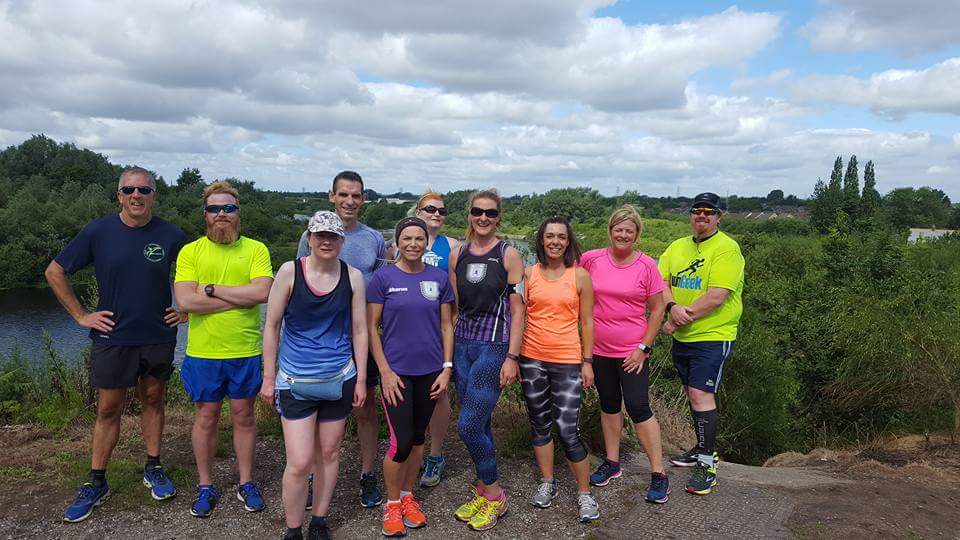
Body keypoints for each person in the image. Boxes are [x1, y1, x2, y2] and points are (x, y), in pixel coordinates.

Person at [47, 167, 188, 523]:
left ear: (154, 195)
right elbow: (55, 271)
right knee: (109, 408)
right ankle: (97, 481)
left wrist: (185, 308)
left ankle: (153, 468)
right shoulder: (99, 231)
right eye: (129, 190)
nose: (136, 195)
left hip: (158, 334)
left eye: (144, 189)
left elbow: (197, 275)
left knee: (154, 399)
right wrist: (81, 315)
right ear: (119, 195)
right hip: (113, 337)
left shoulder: (172, 235)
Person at [261, 211, 368, 540]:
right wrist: (268, 377)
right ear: (308, 238)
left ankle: (319, 521)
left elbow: (360, 329)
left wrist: (361, 378)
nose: (326, 241)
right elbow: (272, 325)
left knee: (330, 453)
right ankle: (293, 528)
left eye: (333, 236)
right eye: (320, 235)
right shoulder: (290, 272)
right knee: (299, 461)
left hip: (339, 377)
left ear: (341, 241)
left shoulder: (353, 277)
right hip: (294, 380)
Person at [174, 181, 274, 517]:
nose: (222, 214)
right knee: (206, 418)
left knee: (244, 417)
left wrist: (211, 291)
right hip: (203, 353)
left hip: (243, 350)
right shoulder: (191, 252)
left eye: (228, 208)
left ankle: (246, 482)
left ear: (237, 213)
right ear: (205, 214)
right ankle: (205, 485)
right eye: (214, 208)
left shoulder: (256, 249)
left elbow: (262, 293)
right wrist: (236, 298)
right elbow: (185, 301)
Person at [297, 171, 387, 509]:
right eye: (344, 195)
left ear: (364, 199)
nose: (350, 201)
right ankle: (309, 476)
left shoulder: (374, 239)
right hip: (319, 342)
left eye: (356, 196)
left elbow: (381, 289)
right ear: (331, 196)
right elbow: (299, 284)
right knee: (315, 412)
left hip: (360, 337)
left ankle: (366, 474)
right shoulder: (312, 235)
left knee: (364, 408)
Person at [367, 217, 455, 537]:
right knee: (400, 442)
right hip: (397, 375)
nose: (413, 244)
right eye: (407, 238)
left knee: (418, 439)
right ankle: (391, 504)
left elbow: (447, 326)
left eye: (419, 238)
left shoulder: (439, 277)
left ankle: (407, 497)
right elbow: (371, 328)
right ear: (398, 242)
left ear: (426, 243)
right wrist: (385, 371)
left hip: (431, 372)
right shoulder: (383, 278)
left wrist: (447, 368)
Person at [580, 205, 670, 503]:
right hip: (599, 350)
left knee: (638, 407)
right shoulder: (591, 259)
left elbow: (657, 311)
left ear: (637, 235)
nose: (623, 235)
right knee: (609, 406)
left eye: (629, 231)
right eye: (618, 229)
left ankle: (659, 473)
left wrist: (643, 348)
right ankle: (613, 462)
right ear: (610, 230)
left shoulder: (647, 266)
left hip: (632, 352)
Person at [447, 189, 524, 532]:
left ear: (498, 218)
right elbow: (451, 308)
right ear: (469, 214)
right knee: (480, 423)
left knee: (467, 425)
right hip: (462, 344)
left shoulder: (509, 255)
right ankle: (482, 489)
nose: (483, 218)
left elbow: (519, 311)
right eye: (477, 211)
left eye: (490, 213)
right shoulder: (457, 254)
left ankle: (495, 495)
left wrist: (512, 356)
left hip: (494, 347)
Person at [658, 192, 744, 496]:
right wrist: (671, 307)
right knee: (690, 393)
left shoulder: (727, 249)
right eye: (697, 211)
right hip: (684, 337)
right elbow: (661, 283)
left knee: (700, 394)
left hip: (713, 335)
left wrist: (678, 318)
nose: (702, 216)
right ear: (691, 215)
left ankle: (708, 464)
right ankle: (700, 447)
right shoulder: (677, 246)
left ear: (719, 217)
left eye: (709, 212)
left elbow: (717, 295)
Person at [519, 217, 599, 523]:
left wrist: (587, 361)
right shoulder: (528, 274)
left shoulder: (579, 276)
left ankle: (584, 493)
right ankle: (548, 482)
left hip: (567, 360)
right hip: (532, 358)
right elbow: (516, 315)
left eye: (560, 237)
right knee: (539, 425)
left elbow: (588, 321)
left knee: (568, 430)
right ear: (541, 240)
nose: (555, 241)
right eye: (549, 236)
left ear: (568, 241)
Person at [411, 192, 460, 488]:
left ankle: (436, 453)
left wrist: (453, 325)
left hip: (438, 330)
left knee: (438, 393)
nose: (436, 214)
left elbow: (456, 293)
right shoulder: (400, 242)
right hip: (407, 331)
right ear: (418, 211)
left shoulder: (452, 246)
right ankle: (411, 448)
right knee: (408, 392)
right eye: (430, 209)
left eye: (441, 210)